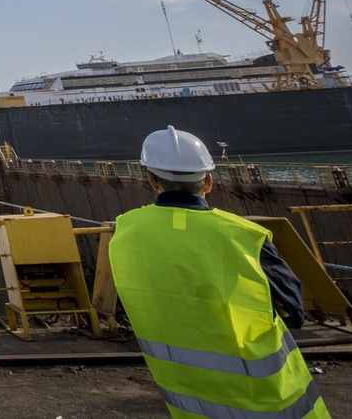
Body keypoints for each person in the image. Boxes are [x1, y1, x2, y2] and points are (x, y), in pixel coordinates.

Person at [108, 126, 328, 419]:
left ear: (149, 179)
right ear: (209, 181)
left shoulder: (126, 231)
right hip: (270, 402)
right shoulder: (244, 237)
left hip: (188, 400)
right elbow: (294, 311)